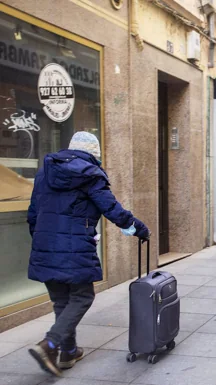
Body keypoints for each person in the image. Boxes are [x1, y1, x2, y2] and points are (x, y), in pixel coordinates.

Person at [26, 131, 149, 376]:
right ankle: (50, 344)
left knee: (62, 300)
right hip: (74, 245)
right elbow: (111, 208)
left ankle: (68, 352)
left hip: (45, 242)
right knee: (82, 296)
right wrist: (138, 228)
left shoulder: (45, 172)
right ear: (94, 154)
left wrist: (43, 239)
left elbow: (32, 213)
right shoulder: (91, 174)